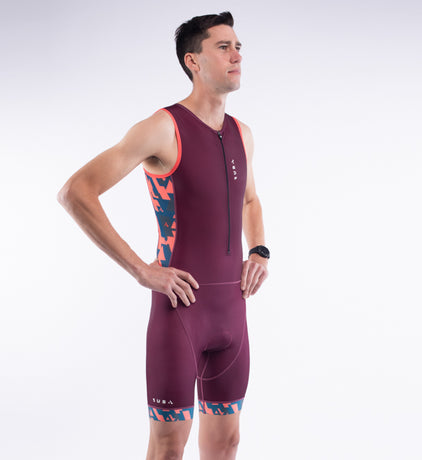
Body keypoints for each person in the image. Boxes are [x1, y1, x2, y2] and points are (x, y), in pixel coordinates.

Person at [57, 11, 269, 460]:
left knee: (228, 442)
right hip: (181, 313)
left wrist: (260, 250)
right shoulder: (163, 127)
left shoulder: (242, 134)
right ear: (193, 61)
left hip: (233, 313)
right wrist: (141, 270)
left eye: (238, 47)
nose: (237, 55)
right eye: (224, 47)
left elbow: (249, 200)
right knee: (170, 446)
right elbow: (76, 192)